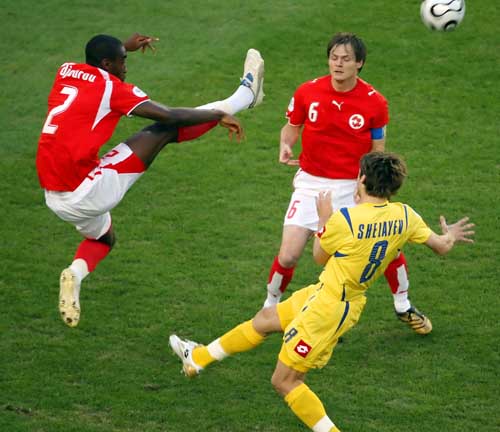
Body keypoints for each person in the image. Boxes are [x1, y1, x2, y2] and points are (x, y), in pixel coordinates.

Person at [169, 151, 475, 432]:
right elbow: (441, 246)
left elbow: (318, 256)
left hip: (328, 310)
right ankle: (197, 359)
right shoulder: (406, 215)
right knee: (265, 319)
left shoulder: (346, 220)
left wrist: (324, 219)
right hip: (328, 294)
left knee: (285, 381)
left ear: (362, 179)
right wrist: (450, 234)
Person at [36, 33, 265, 328]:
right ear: (107, 64)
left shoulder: (66, 71)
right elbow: (169, 115)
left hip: (54, 196)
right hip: (87, 190)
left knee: (103, 238)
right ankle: (245, 97)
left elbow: (96, 63)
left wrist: (124, 47)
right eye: (122, 61)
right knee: (162, 131)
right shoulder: (112, 89)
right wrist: (216, 115)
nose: (125, 66)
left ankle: (74, 275)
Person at [263, 32, 430, 335]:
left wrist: (367, 187)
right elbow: (291, 127)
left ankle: (403, 304)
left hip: (353, 187)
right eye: (334, 58)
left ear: (359, 63)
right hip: (311, 183)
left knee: (387, 246)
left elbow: (378, 149)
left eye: (346, 59)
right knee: (288, 255)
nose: (338, 64)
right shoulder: (307, 92)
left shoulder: (375, 102)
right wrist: (286, 145)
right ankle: (269, 305)